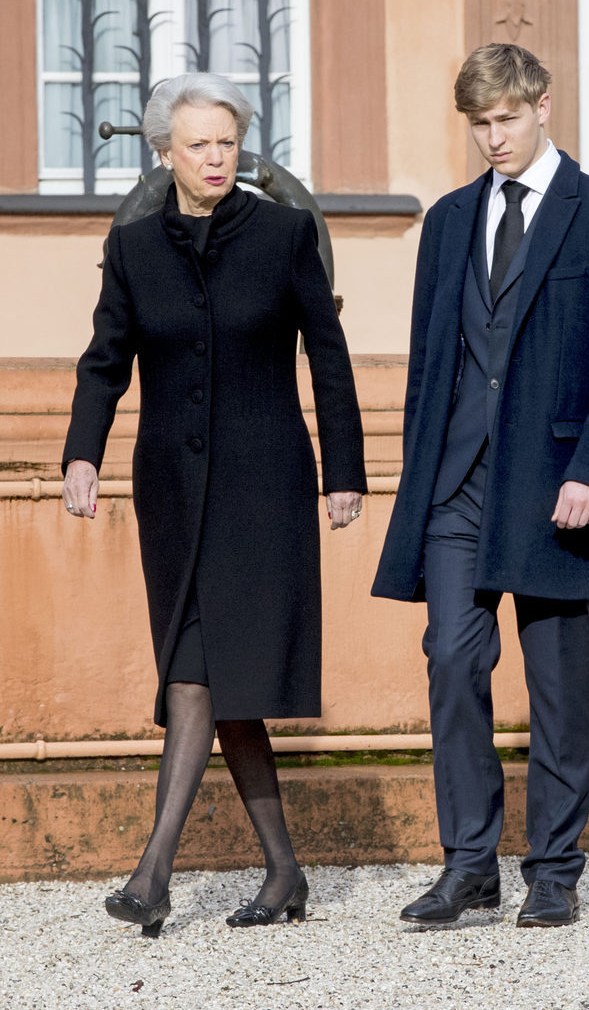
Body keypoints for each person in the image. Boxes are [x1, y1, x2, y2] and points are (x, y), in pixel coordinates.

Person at [62, 73, 366, 935]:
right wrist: (82, 451)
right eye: (198, 144)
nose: (216, 157)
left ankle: (153, 873)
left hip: (263, 491)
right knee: (214, 683)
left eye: (226, 142)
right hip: (170, 491)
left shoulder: (284, 234)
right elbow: (103, 359)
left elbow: (330, 356)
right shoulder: (133, 247)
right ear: (165, 153)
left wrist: (344, 468)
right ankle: (284, 872)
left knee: (199, 674)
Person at [372, 44, 589, 927]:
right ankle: (468, 863)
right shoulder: (450, 220)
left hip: (556, 484)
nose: (492, 137)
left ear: (541, 104)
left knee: (560, 680)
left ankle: (556, 868)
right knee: (452, 660)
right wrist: (419, 476)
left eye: (505, 118)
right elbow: (430, 362)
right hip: (457, 480)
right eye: (478, 124)